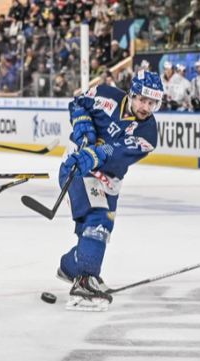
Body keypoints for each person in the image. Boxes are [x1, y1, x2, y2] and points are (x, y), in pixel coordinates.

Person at [57, 71, 163, 312]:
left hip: (107, 179)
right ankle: (84, 281)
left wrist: (94, 153)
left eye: (152, 103)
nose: (147, 107)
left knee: (100, 232)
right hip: (76, 167)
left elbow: (113, 153)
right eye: (143, 100)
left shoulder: (148, 134)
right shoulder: (106, 95)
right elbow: (78, 102)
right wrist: (83, 124)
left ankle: (70, 268)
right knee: (98, 220)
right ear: (132, 94)